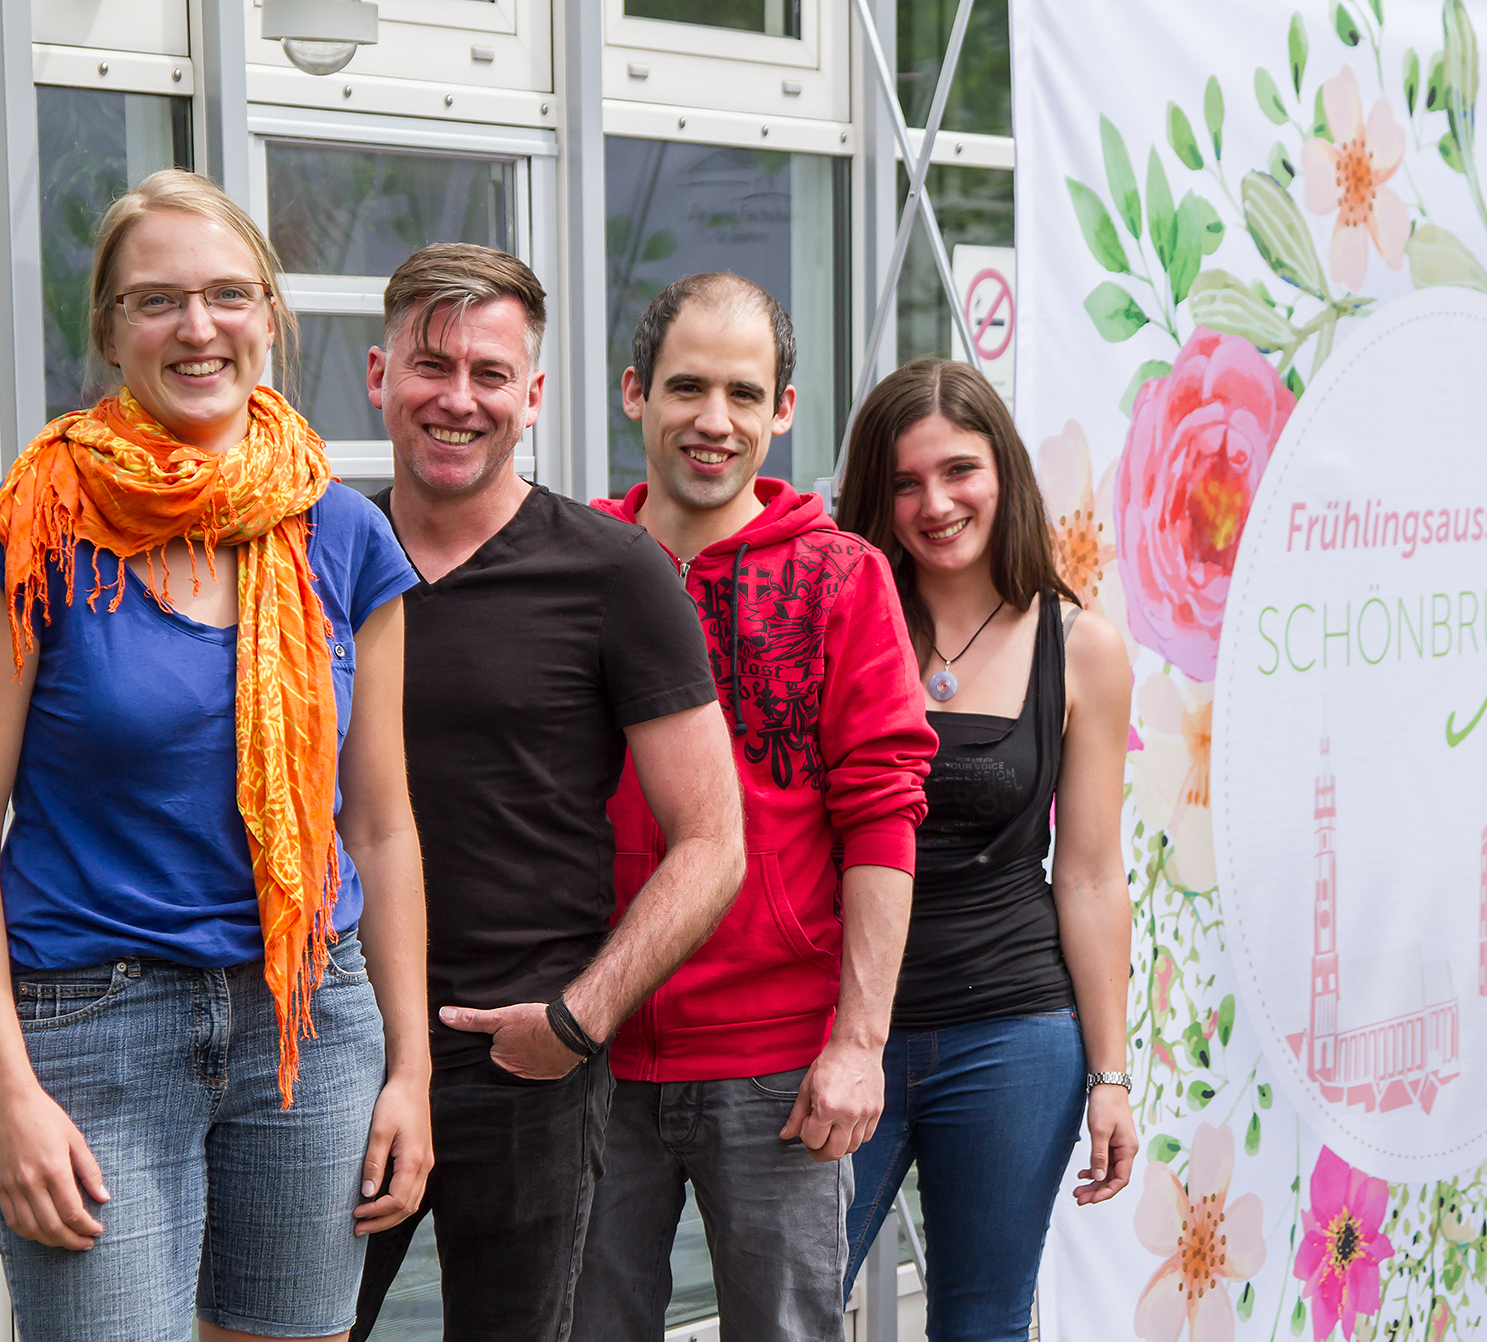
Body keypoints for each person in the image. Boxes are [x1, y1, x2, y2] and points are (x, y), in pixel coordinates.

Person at [0, 169, 432, 1342]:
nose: (197, 327)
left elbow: (381, 824)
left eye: (226, 294)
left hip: (309, 1023)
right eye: (156, 301)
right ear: (108, 333)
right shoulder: (29, 530)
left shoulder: (344, 534)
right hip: (92, 1025)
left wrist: (410, 1069)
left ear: (269, 315)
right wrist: (6, 1091)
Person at [348, 245, 746, 1342]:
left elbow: (713, 838)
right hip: (336, 1048)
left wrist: (579, 1019)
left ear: (530, 395)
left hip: (522, 1061)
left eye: (489, 373)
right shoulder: (323, 557)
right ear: (379, 375)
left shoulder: (614, 570)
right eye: (431, 365)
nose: (457, 399)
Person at [573, 273, 937, 1342]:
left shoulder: (841, 577)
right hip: (591, 1045)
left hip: (776, 1063)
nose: (714, 420)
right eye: (687, 387)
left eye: (743, 393)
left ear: (782, 409)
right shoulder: (575, 566)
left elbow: (882, 816)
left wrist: (858, 1044)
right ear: (635, 393)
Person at [833, 358, 1139, 1340]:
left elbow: (1088, 875)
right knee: (787, 1310)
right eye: (905, 482)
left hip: (1012, 1035)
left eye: (958, 470)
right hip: (838, 1033)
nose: (935, 504)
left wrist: (1110, 1075)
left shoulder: (1080, 647)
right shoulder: (837, 624)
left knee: (981, 1323)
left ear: (1002, 470)